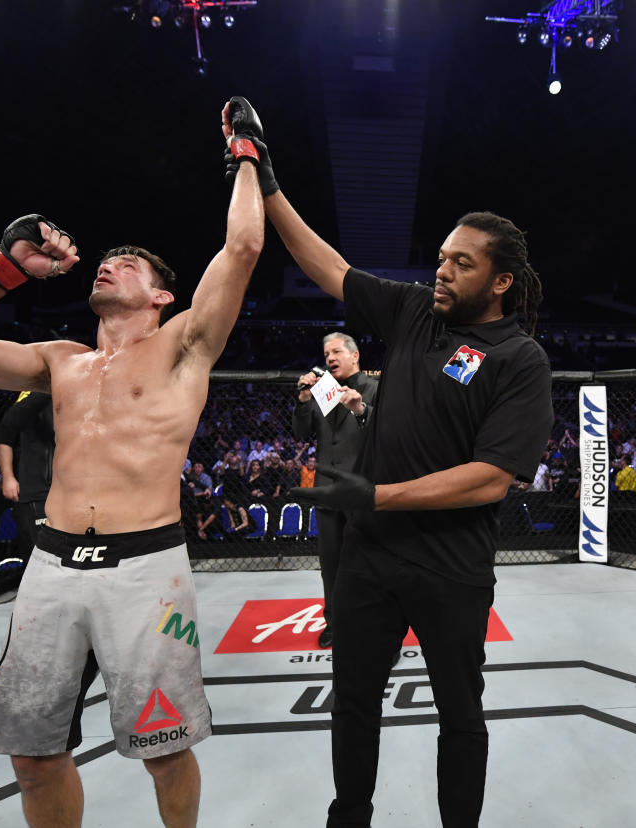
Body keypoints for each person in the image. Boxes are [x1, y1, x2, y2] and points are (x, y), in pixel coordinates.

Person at [0, 99, 264, 827]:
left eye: (127, 265)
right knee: (33, 758)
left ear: (161, 295)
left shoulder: (185, 345)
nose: (110, 264)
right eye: (105, 261)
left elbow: (244, 249)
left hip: (145, 568)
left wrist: (248, 157)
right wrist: (1, 269)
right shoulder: (60, 362)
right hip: (51, 564)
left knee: (164, 750)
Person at [237, 109, 552, 826]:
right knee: (352, 700)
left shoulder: (519, 361)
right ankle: (349, 816)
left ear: (501, 282)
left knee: (459, 713)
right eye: (441, 257)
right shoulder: (415, 312)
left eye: (462, 263)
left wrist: (376, 493)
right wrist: (269, 180)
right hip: (371, 560)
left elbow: (492, 476)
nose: (442, 270)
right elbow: (327, 265)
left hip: (451, 563)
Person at [291, 333, 379, 649]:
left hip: (364, 492)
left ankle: (378, 630)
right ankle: (335, 625)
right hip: (328, 493)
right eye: (326, 352)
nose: (330, 357)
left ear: (354, 355)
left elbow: (386, 436)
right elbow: (302, 434)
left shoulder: (375, 389)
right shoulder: (323, 390)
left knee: (372, 565)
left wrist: (359, 409)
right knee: (331, 565)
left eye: (337, 351)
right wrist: (303, 402)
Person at [0, 391, 55, 552]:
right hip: (40, 489)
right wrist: (8, 477)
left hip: (72, 490)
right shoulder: (40, 392)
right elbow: (4, 434)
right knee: (43, 554)